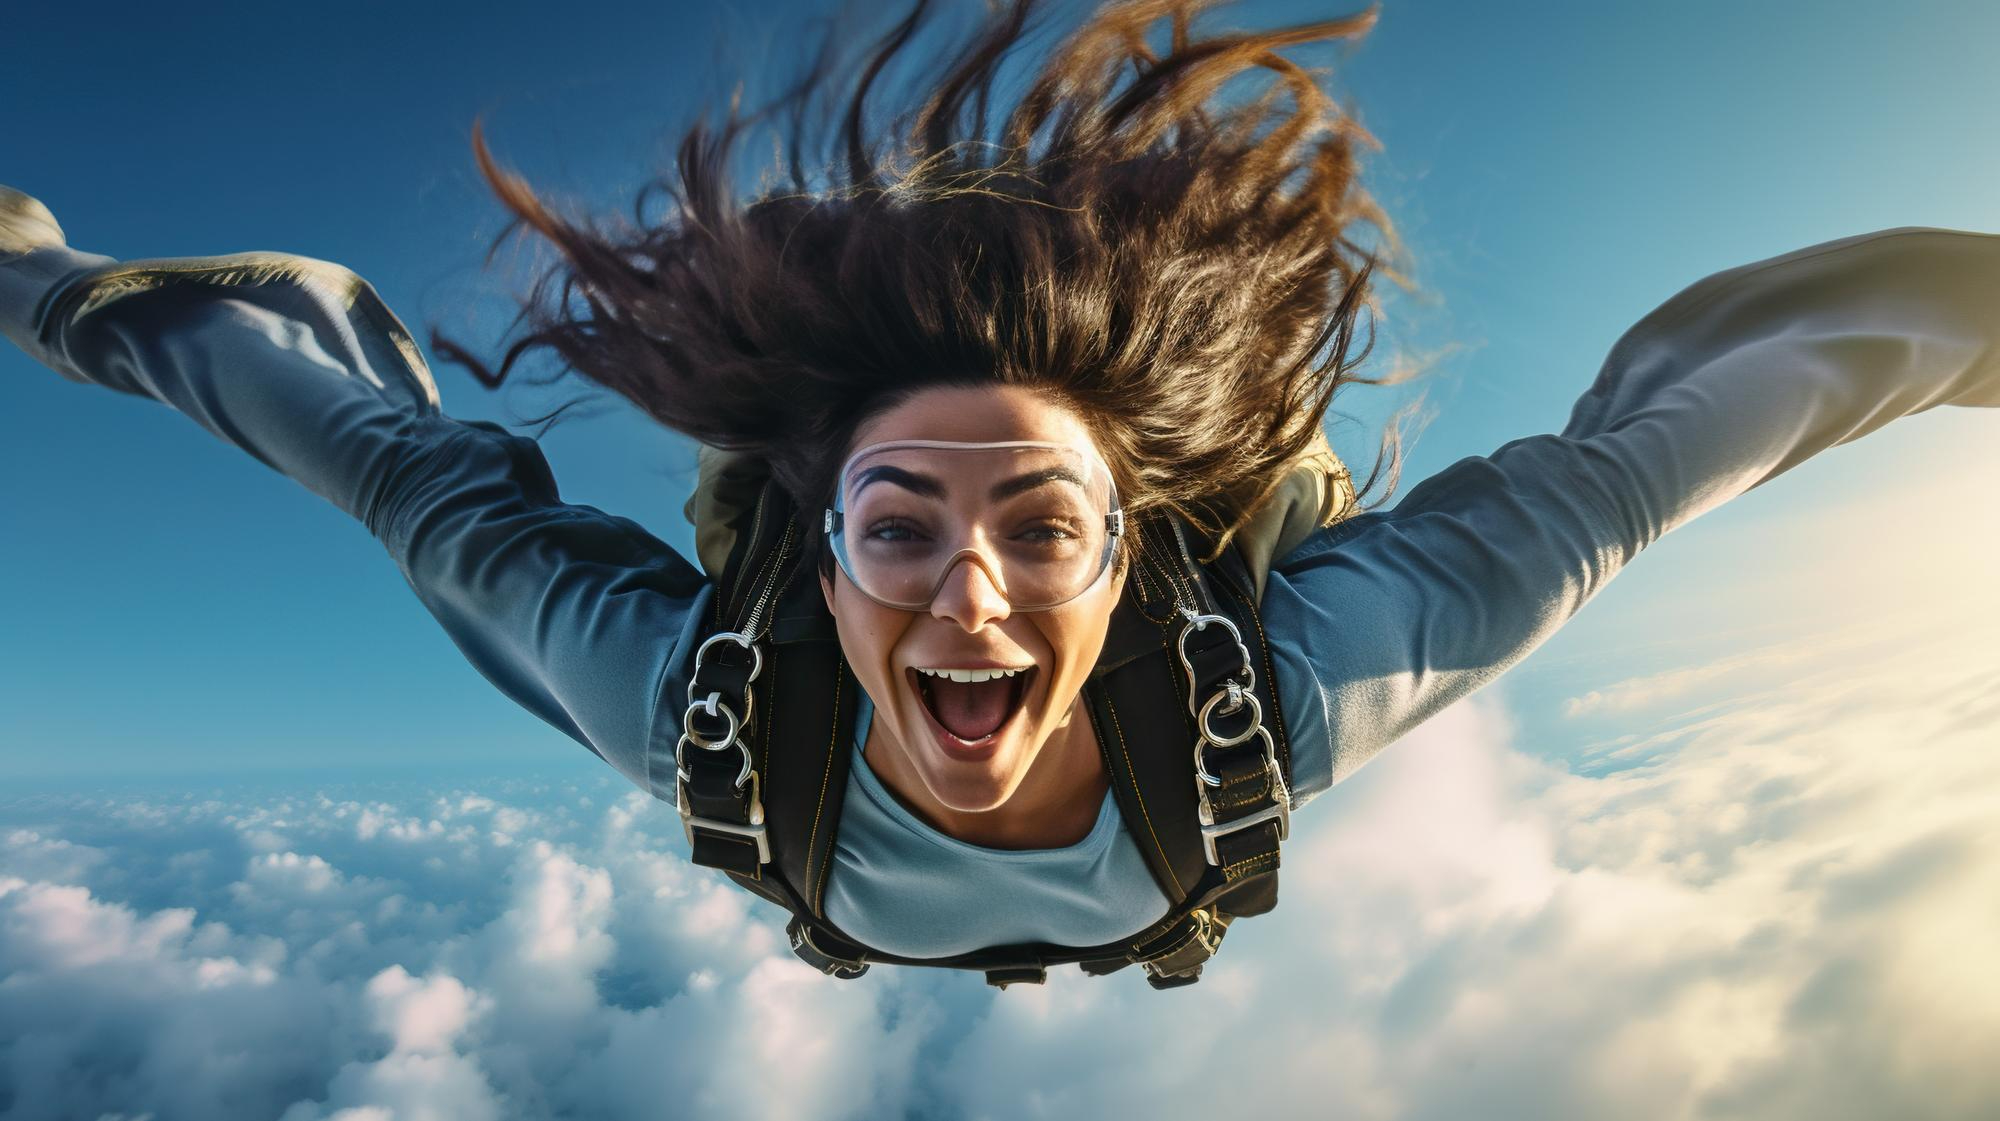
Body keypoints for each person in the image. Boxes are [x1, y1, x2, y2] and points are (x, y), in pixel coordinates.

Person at [4, 0, 1996, 983]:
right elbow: (374, 441)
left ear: (1122, 559)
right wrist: (53, 291)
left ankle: (1078, 466)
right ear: (829, 552)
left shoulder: (1273, 672)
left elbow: (1651, 451)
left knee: (1293, 493)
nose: (965, 600)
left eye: (1039, 527)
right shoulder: (720, 703)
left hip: (1206, 547)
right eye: (900, 531)